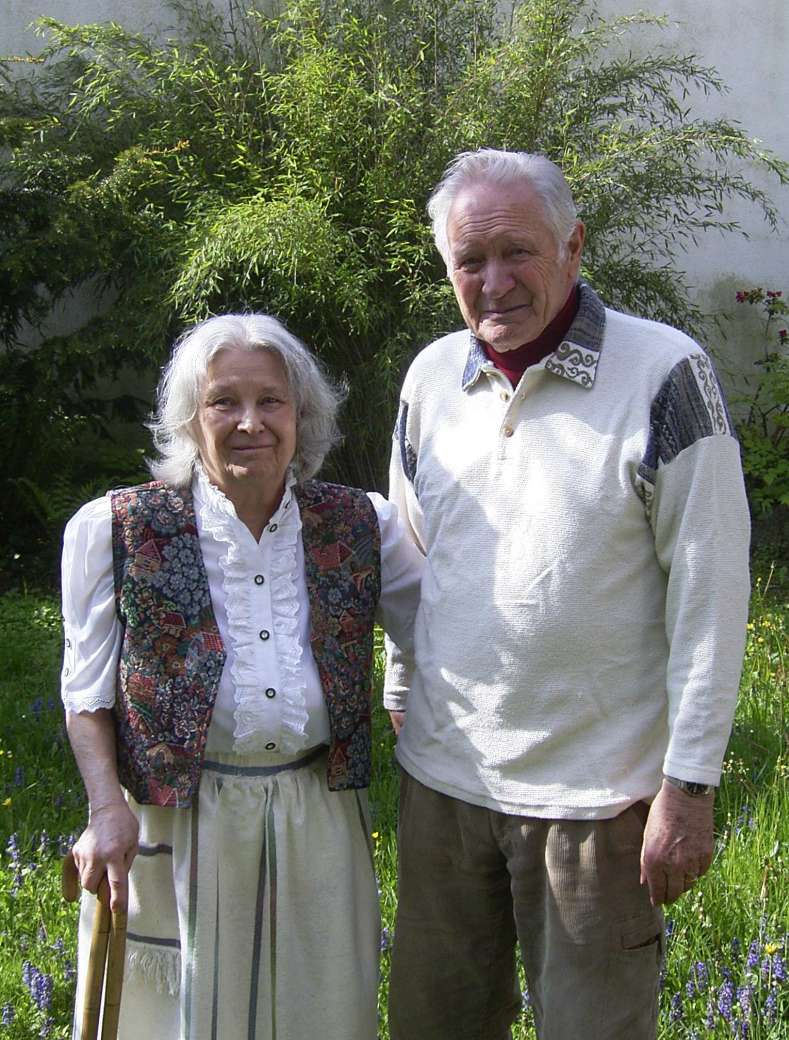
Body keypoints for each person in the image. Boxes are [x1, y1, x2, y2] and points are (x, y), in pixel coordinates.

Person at [384, 148, 750, 1040]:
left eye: (517, 252)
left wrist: (688, 786)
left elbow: (709, 595)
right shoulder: (431, 379)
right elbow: (411, 558)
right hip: (445, 788)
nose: (493, 281)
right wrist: (400, 690)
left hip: (597, 805)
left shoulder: (664, 374)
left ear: (573, 246)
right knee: (435, 1025)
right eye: (470, 260)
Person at [61, 313, 423, 1040]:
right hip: (179, 820)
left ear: (301, 416)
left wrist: (409, 700)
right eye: (224, 401)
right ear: (190, 419)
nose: (249, 422)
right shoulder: (115, 529)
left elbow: (442, 632)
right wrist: (105, 809)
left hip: (317, 816)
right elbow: (87, 693)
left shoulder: (363, 524)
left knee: (319, 1016)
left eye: (271, 401)